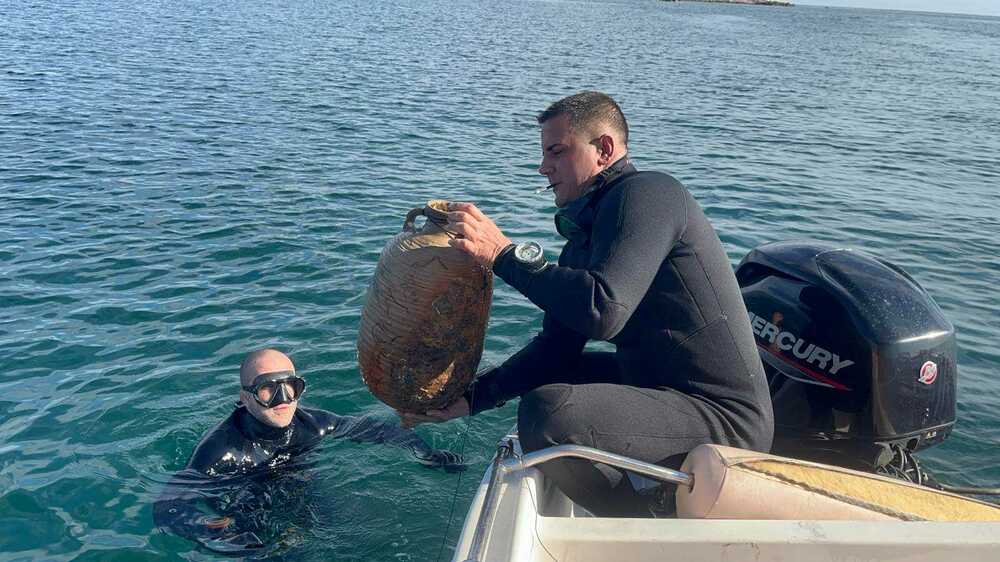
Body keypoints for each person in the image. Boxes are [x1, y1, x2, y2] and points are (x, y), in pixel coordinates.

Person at [403, 91, 774, 516]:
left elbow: (604, 310)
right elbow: (556, 350)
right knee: (556, 380)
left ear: (605, 150)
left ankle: (646, 524)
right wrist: (472, 398)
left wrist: (503, 254)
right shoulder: (588, 237)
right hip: (662, 388)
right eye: (543, 154)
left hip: (725, 418)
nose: (544, 167)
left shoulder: (650, 194)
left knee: (548, 413)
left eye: (557, 151)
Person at [155, 348, 464, 552]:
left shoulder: (310, 423)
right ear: (246, 397)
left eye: (291, 387)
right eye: (268, 390)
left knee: (355, 539)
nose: (284, 400)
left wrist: (424, 453)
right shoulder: (222, 450)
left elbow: (375, 429)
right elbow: (170, 507)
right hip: (244, 497)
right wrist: (221, 536)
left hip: (299, 486)